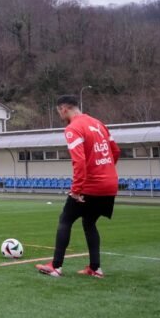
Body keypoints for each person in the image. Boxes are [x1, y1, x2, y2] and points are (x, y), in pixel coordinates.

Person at [36, 95, 120, 278]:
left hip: (91, 185)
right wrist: (105, 171)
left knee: (65, 219)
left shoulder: (73, 128)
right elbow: (115, 151)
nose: (60, 115)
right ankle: (95, 268)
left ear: (64, 109)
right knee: (89, 222)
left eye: (59, 112)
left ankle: (56, 266)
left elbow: (79, 161)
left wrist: (76, 190)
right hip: (110, 184)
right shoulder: (99, 124)